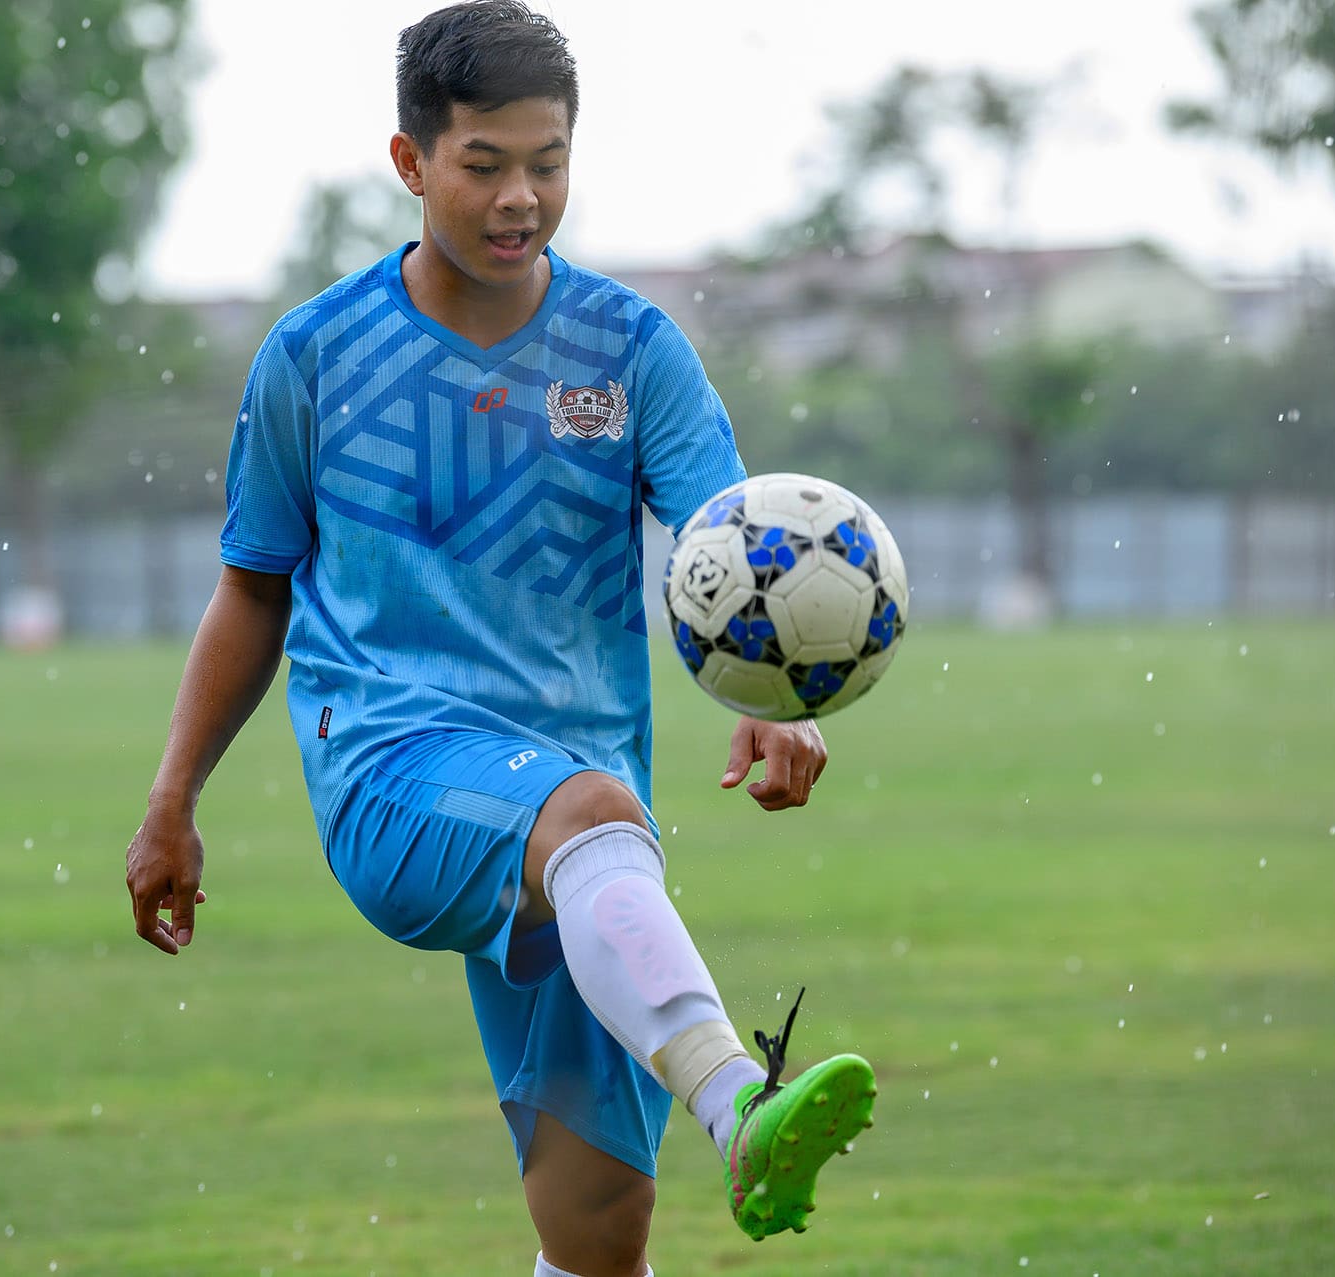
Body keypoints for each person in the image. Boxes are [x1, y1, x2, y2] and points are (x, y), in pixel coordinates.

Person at [123, 5, 874, 1273]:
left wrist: (777, 694)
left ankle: (694, 1115)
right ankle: (740, 1102)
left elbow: (730, 554)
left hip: (594, 845)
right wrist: (172, 796)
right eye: (486, 164)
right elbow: (253, 589)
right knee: (583, 816)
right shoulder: (312, 358)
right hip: (393, 771)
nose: (522, 196)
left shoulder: (632, 353)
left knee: (596, 1238)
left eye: (550, 161)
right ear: (414, 162)